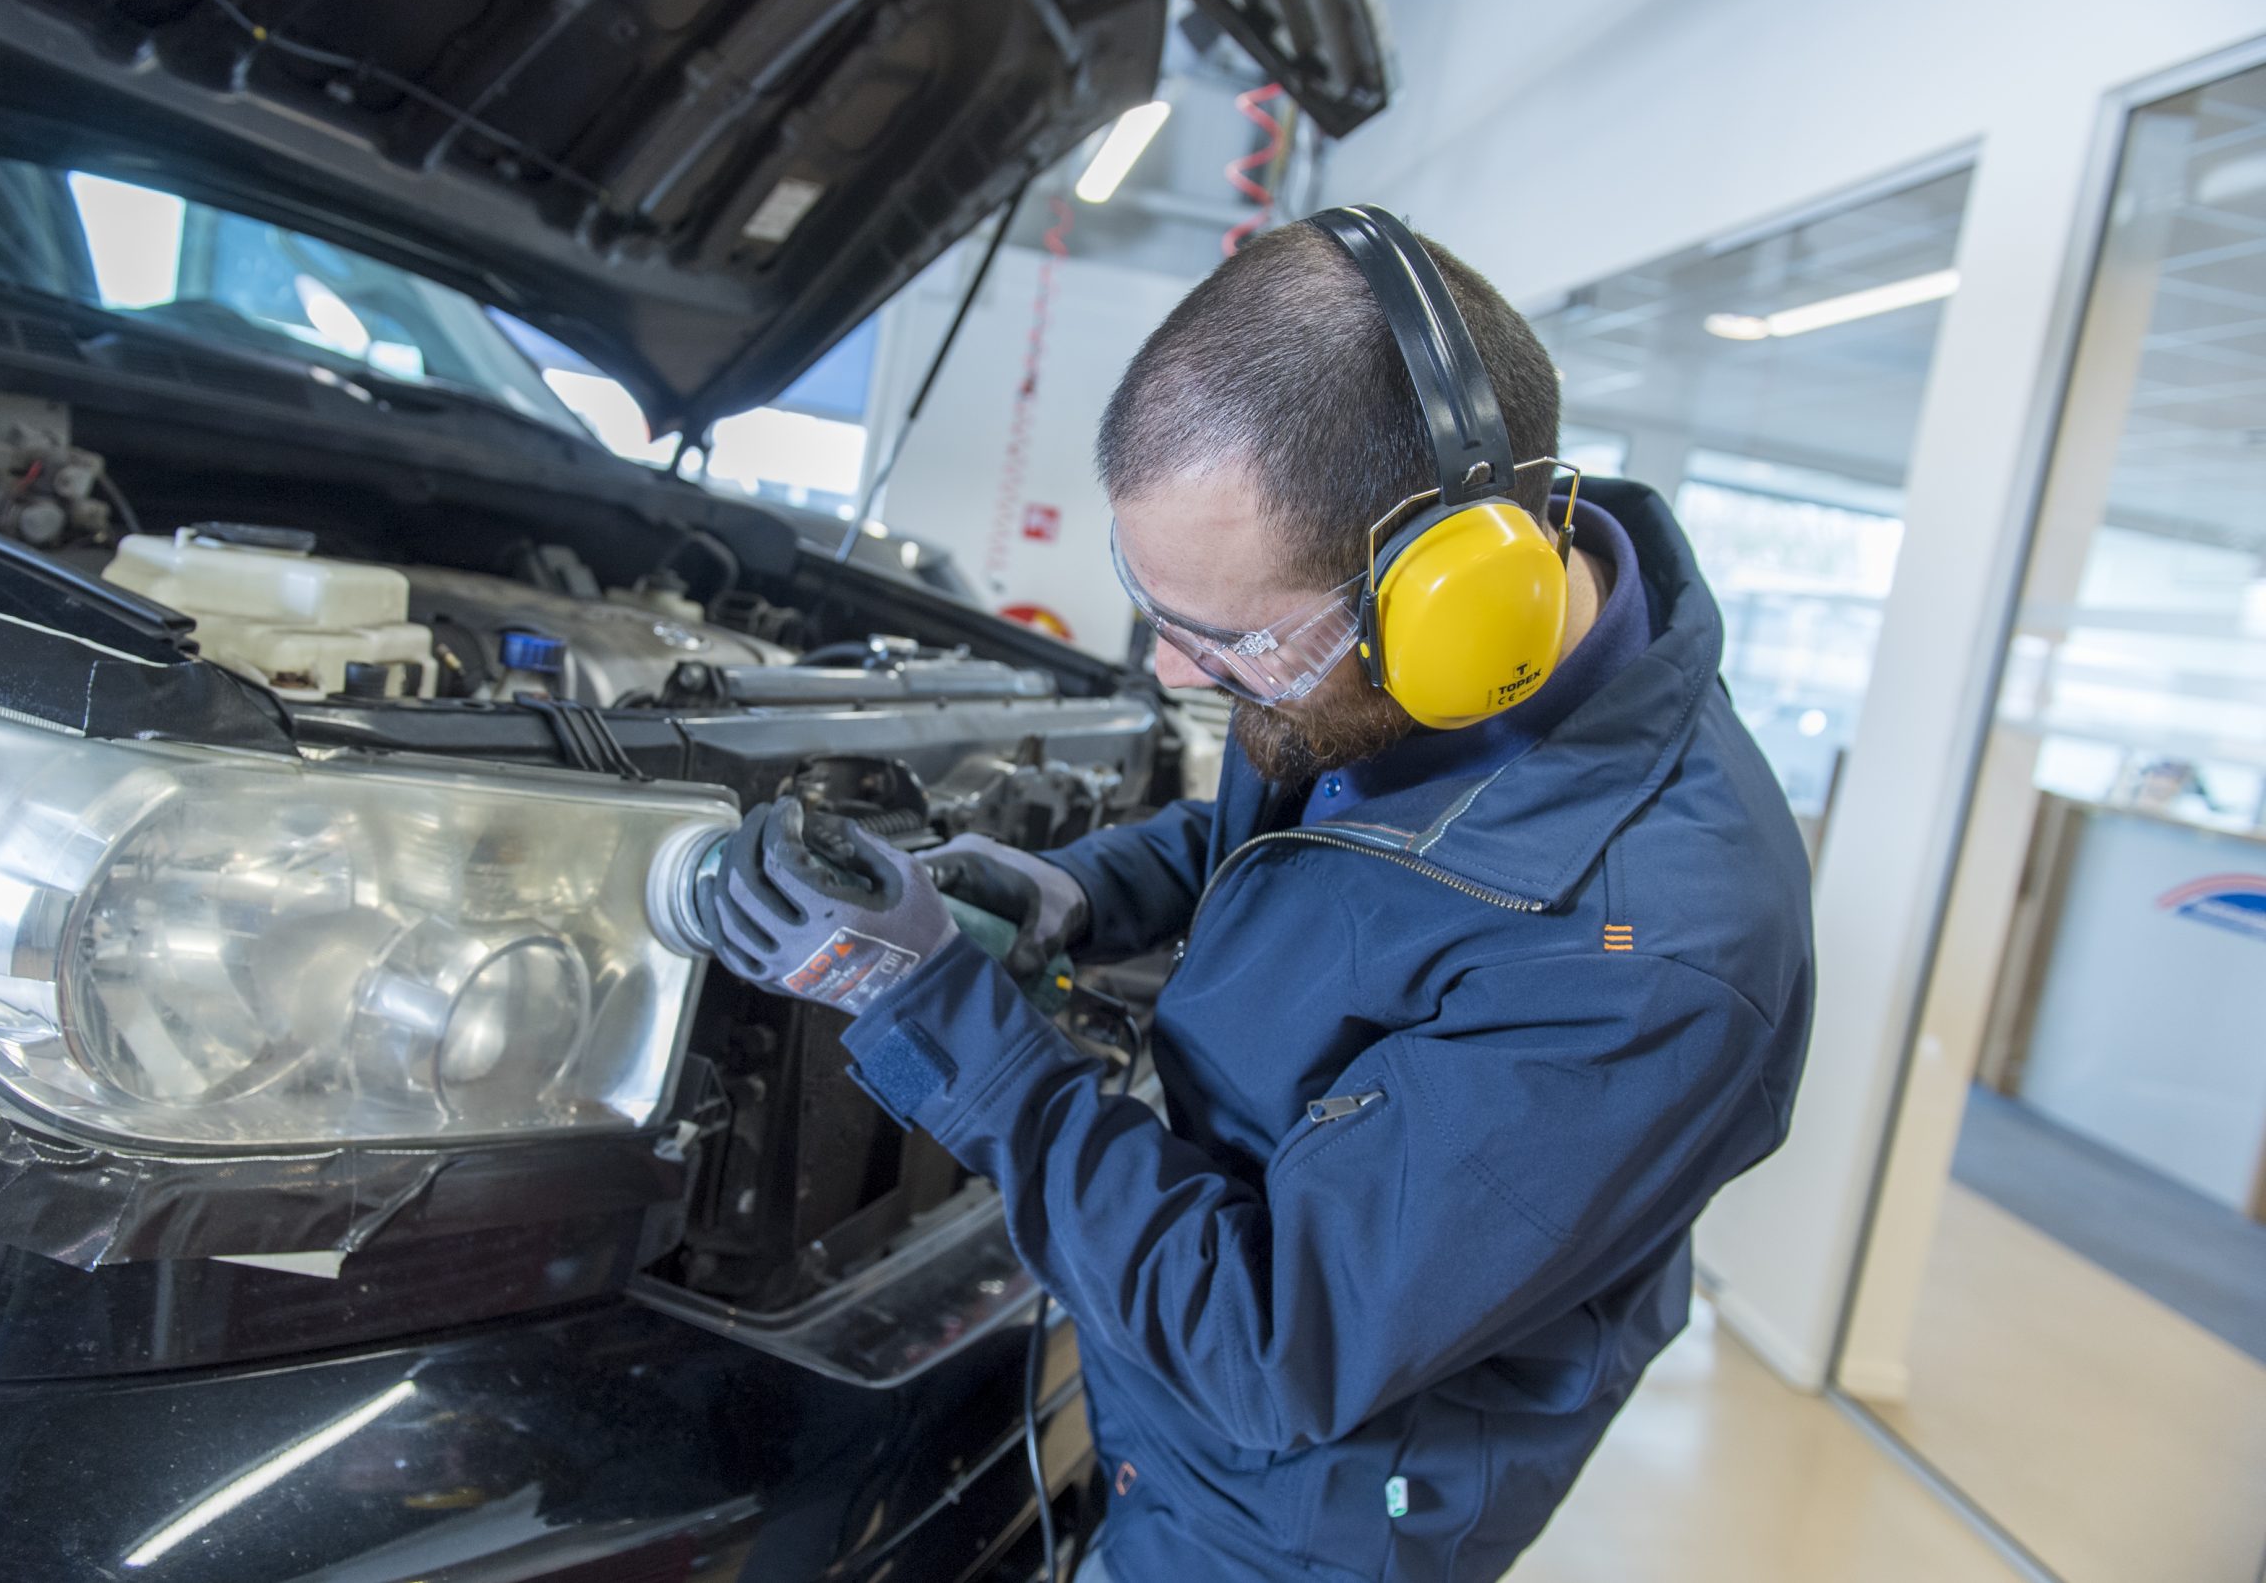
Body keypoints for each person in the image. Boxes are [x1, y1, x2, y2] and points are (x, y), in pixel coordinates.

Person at [702, 207, 1814, 1583]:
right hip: (1168, 1409)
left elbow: (1267, 1348)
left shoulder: (1651, 955)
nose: (1177, 677)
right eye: (1154, 609)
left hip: (1299, 1522)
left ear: (1452, 607)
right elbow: (1286, 828)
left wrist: (937, 1020)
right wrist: (1081, 890)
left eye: (1222, 642)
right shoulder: (1364, 658)